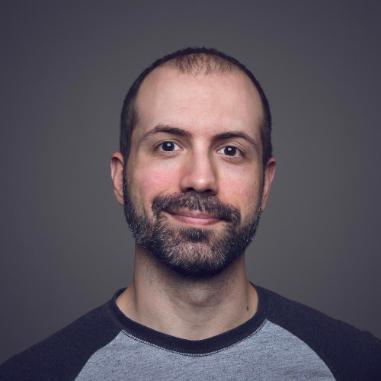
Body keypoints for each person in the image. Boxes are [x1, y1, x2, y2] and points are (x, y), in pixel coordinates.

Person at [0, 47, 380, 381]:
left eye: (230, 150)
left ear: (265, 184)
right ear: (120, 177)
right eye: (168, 145)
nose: (200, 179)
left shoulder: (359, 367)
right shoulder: (35, 374)